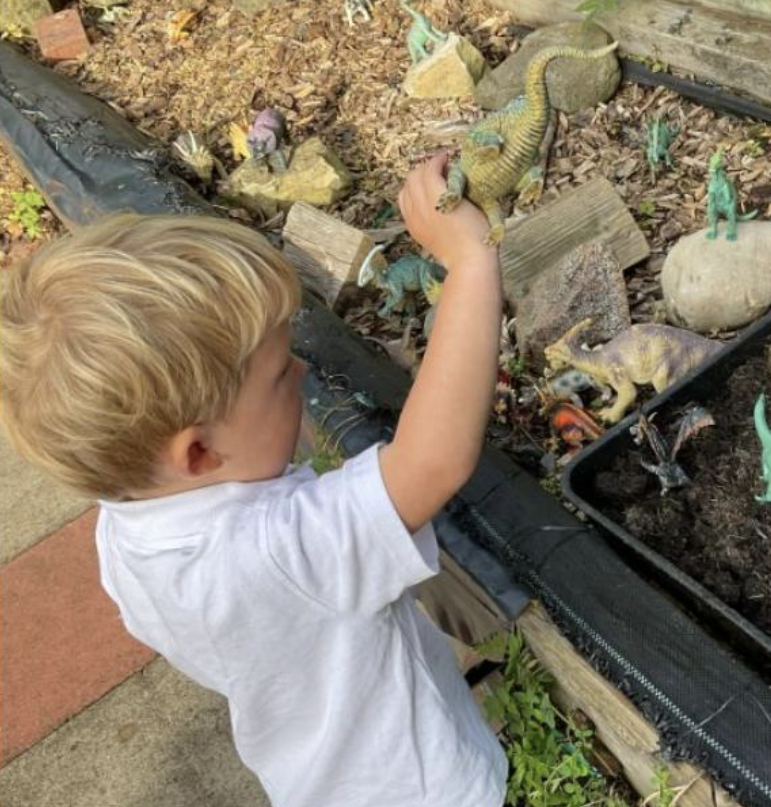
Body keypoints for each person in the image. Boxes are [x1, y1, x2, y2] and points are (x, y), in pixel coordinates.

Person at [0, 154, 507, 807]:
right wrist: (471, 262)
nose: (300, 371)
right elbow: (432, 462)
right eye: (276, 374)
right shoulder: (277, 554)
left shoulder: (126, 531)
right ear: (201, 453)